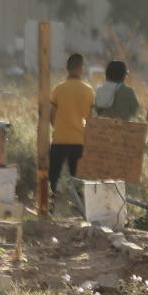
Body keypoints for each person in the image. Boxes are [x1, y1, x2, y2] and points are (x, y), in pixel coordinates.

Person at [48, 53, 95, 194]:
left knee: (53, 175)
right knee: (76, 177)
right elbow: (90, 119)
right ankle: (77, 206)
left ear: (66, 68)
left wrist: (58, 128)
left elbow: (52, 115)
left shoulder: (59, 89)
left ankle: (51, 204)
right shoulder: (88, 91)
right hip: (78, 140)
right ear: (81, 68)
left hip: (59, 139)